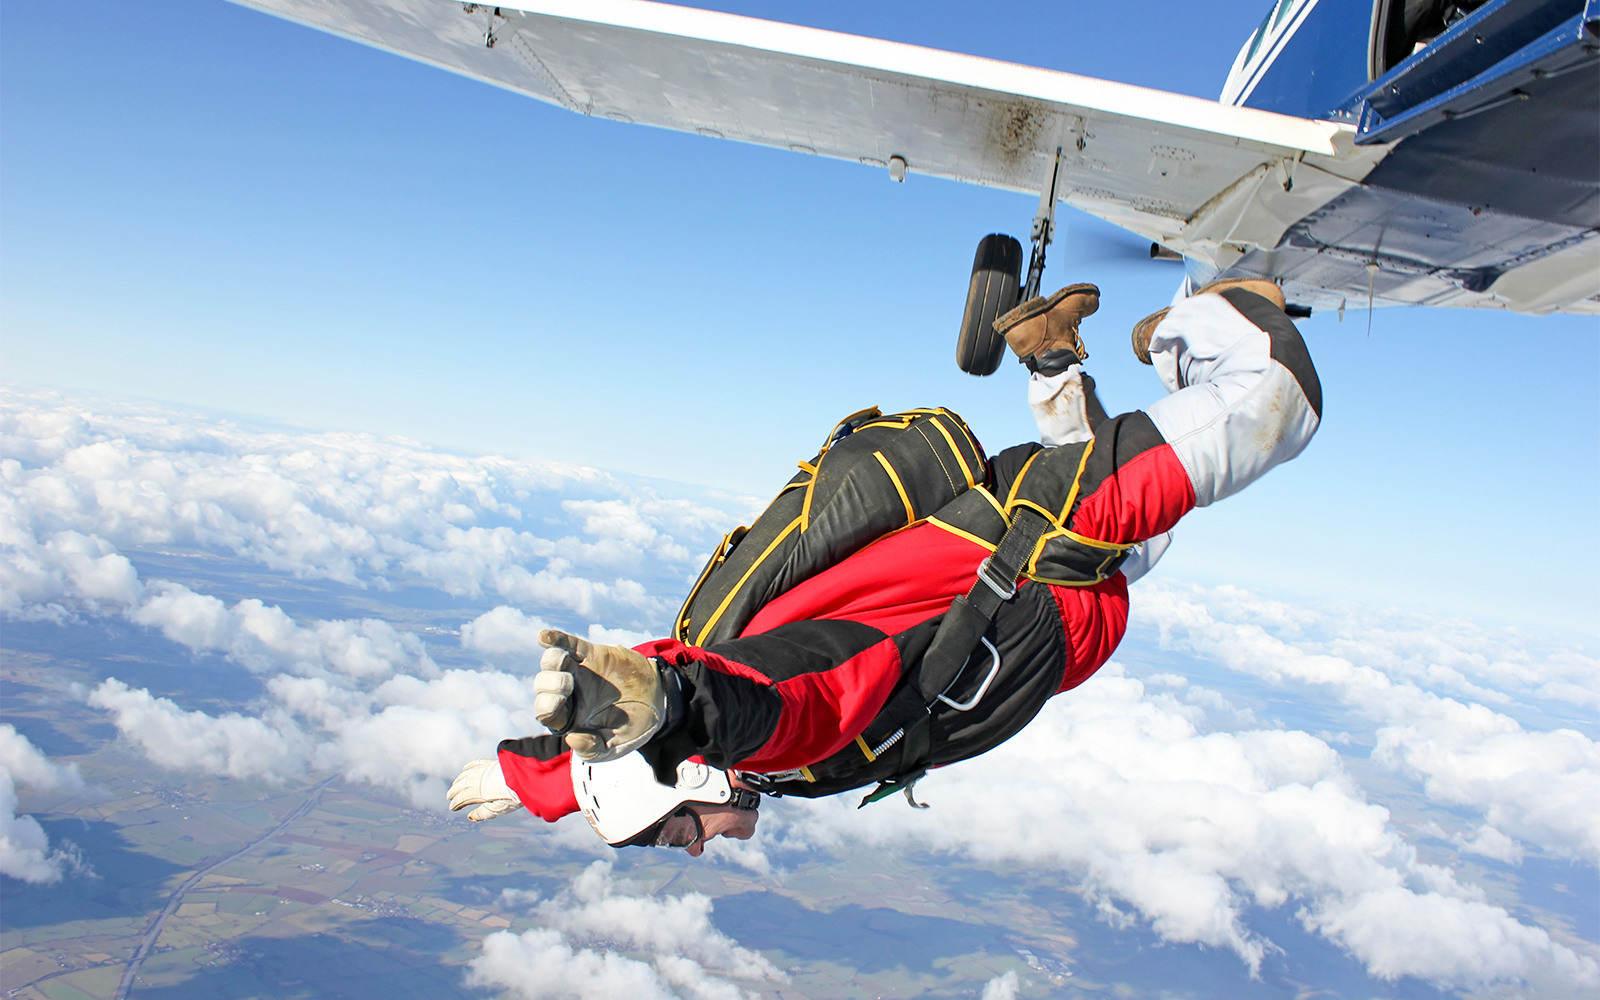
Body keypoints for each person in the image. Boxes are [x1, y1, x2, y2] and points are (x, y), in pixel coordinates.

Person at [447, 278, 1322, 854]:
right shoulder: (737, 755)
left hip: (1043, 549)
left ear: (693, 765)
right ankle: (1053, 354)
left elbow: (780, 699)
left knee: (1278, 401)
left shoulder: (768, 728)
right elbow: (620, 758)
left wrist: (679, 705)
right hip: (1051, 582)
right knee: (1147, 542)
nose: (704, 845)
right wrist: (528, 781)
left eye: (684, 835)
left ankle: (1196, 318)